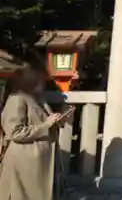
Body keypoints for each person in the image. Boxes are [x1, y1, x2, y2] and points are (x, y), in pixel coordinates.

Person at [0, 65, 74, 200]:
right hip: (24, 160)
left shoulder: (38, 98)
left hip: (38, 161)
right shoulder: (17, 99)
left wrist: (60, 119)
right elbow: (15, 132)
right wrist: (46, 125)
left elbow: (44, 122)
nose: (43, 84)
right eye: (41, 81)